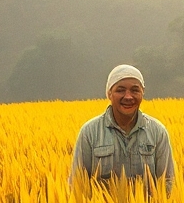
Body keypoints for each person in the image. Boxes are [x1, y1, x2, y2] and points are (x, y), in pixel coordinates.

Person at [70, 64, 175, 195]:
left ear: (143, 93)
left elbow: (168, 183)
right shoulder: (90, 132)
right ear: (109, 93)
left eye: (135, 90)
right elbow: (77, 185)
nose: (128, 97)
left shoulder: (157, 132)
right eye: (120, 90)